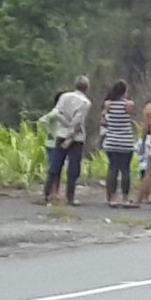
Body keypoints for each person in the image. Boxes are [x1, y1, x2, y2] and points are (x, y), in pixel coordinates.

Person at [44, 76, 91, 206]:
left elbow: (54, 113)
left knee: (55, 164)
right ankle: (70, 197)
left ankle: (47, 193)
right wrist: (70, 137)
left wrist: (64, 122)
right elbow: (77, 122)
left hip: (61, 133)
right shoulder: (85, 103)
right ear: (87, 87)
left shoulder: (64, 97)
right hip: (76, 137)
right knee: (73, 168)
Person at [101, 80, 137, 207]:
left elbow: (104, 121)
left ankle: (112, 198)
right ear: (125, 91)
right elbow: (132, 115)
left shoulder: (108, 104)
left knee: (113, 169)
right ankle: (125, 199)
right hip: (126, 141)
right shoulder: (129, 104)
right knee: (125, 170)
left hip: (111, 141)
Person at [36, 93, 66, 199]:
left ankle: (55, 191)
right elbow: (42, 121)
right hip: (53, 144)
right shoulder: (55, 112)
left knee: (58, 169)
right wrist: (49, 132)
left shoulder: (62, 113)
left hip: (58, 144)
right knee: (54, 169)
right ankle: (53, 192)